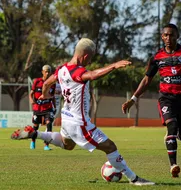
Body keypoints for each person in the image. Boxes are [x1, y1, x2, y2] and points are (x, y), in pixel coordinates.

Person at [11, 38, 155, 186]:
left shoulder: (62, 69)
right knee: (110, 147)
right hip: (79, 123)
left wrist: (45, 94)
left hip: (67, 119)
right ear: (86, 56)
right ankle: (134, 179)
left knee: (68, 145)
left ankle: (35, 134)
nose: (90, 61)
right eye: (90, 58)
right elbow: (93, 75)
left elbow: (47, 83)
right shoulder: (77, 71)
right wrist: (114, 65)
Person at [122, 24, 181, 178]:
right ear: (162, 37)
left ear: (177, 36)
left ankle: (171, 138)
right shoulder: (157, 57)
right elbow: (147, 79)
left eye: (172, 35)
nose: (169, 38)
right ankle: (173, 165)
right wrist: (133, 99)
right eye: (166, 35)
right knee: (172, 126)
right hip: (166, 98)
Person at [29, 64, 56, 150]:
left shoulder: (52, 83)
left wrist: (54, 106)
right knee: (36, 126)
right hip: (38, 108)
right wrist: (31, 100)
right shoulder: (37, 81)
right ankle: (33, 142)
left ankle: (46, 145)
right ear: (42, 72)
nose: (47, 73)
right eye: (46, 71)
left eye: (49, 72)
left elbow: (53, 96)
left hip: (48, 108)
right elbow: (31, 93)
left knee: (49, 124)